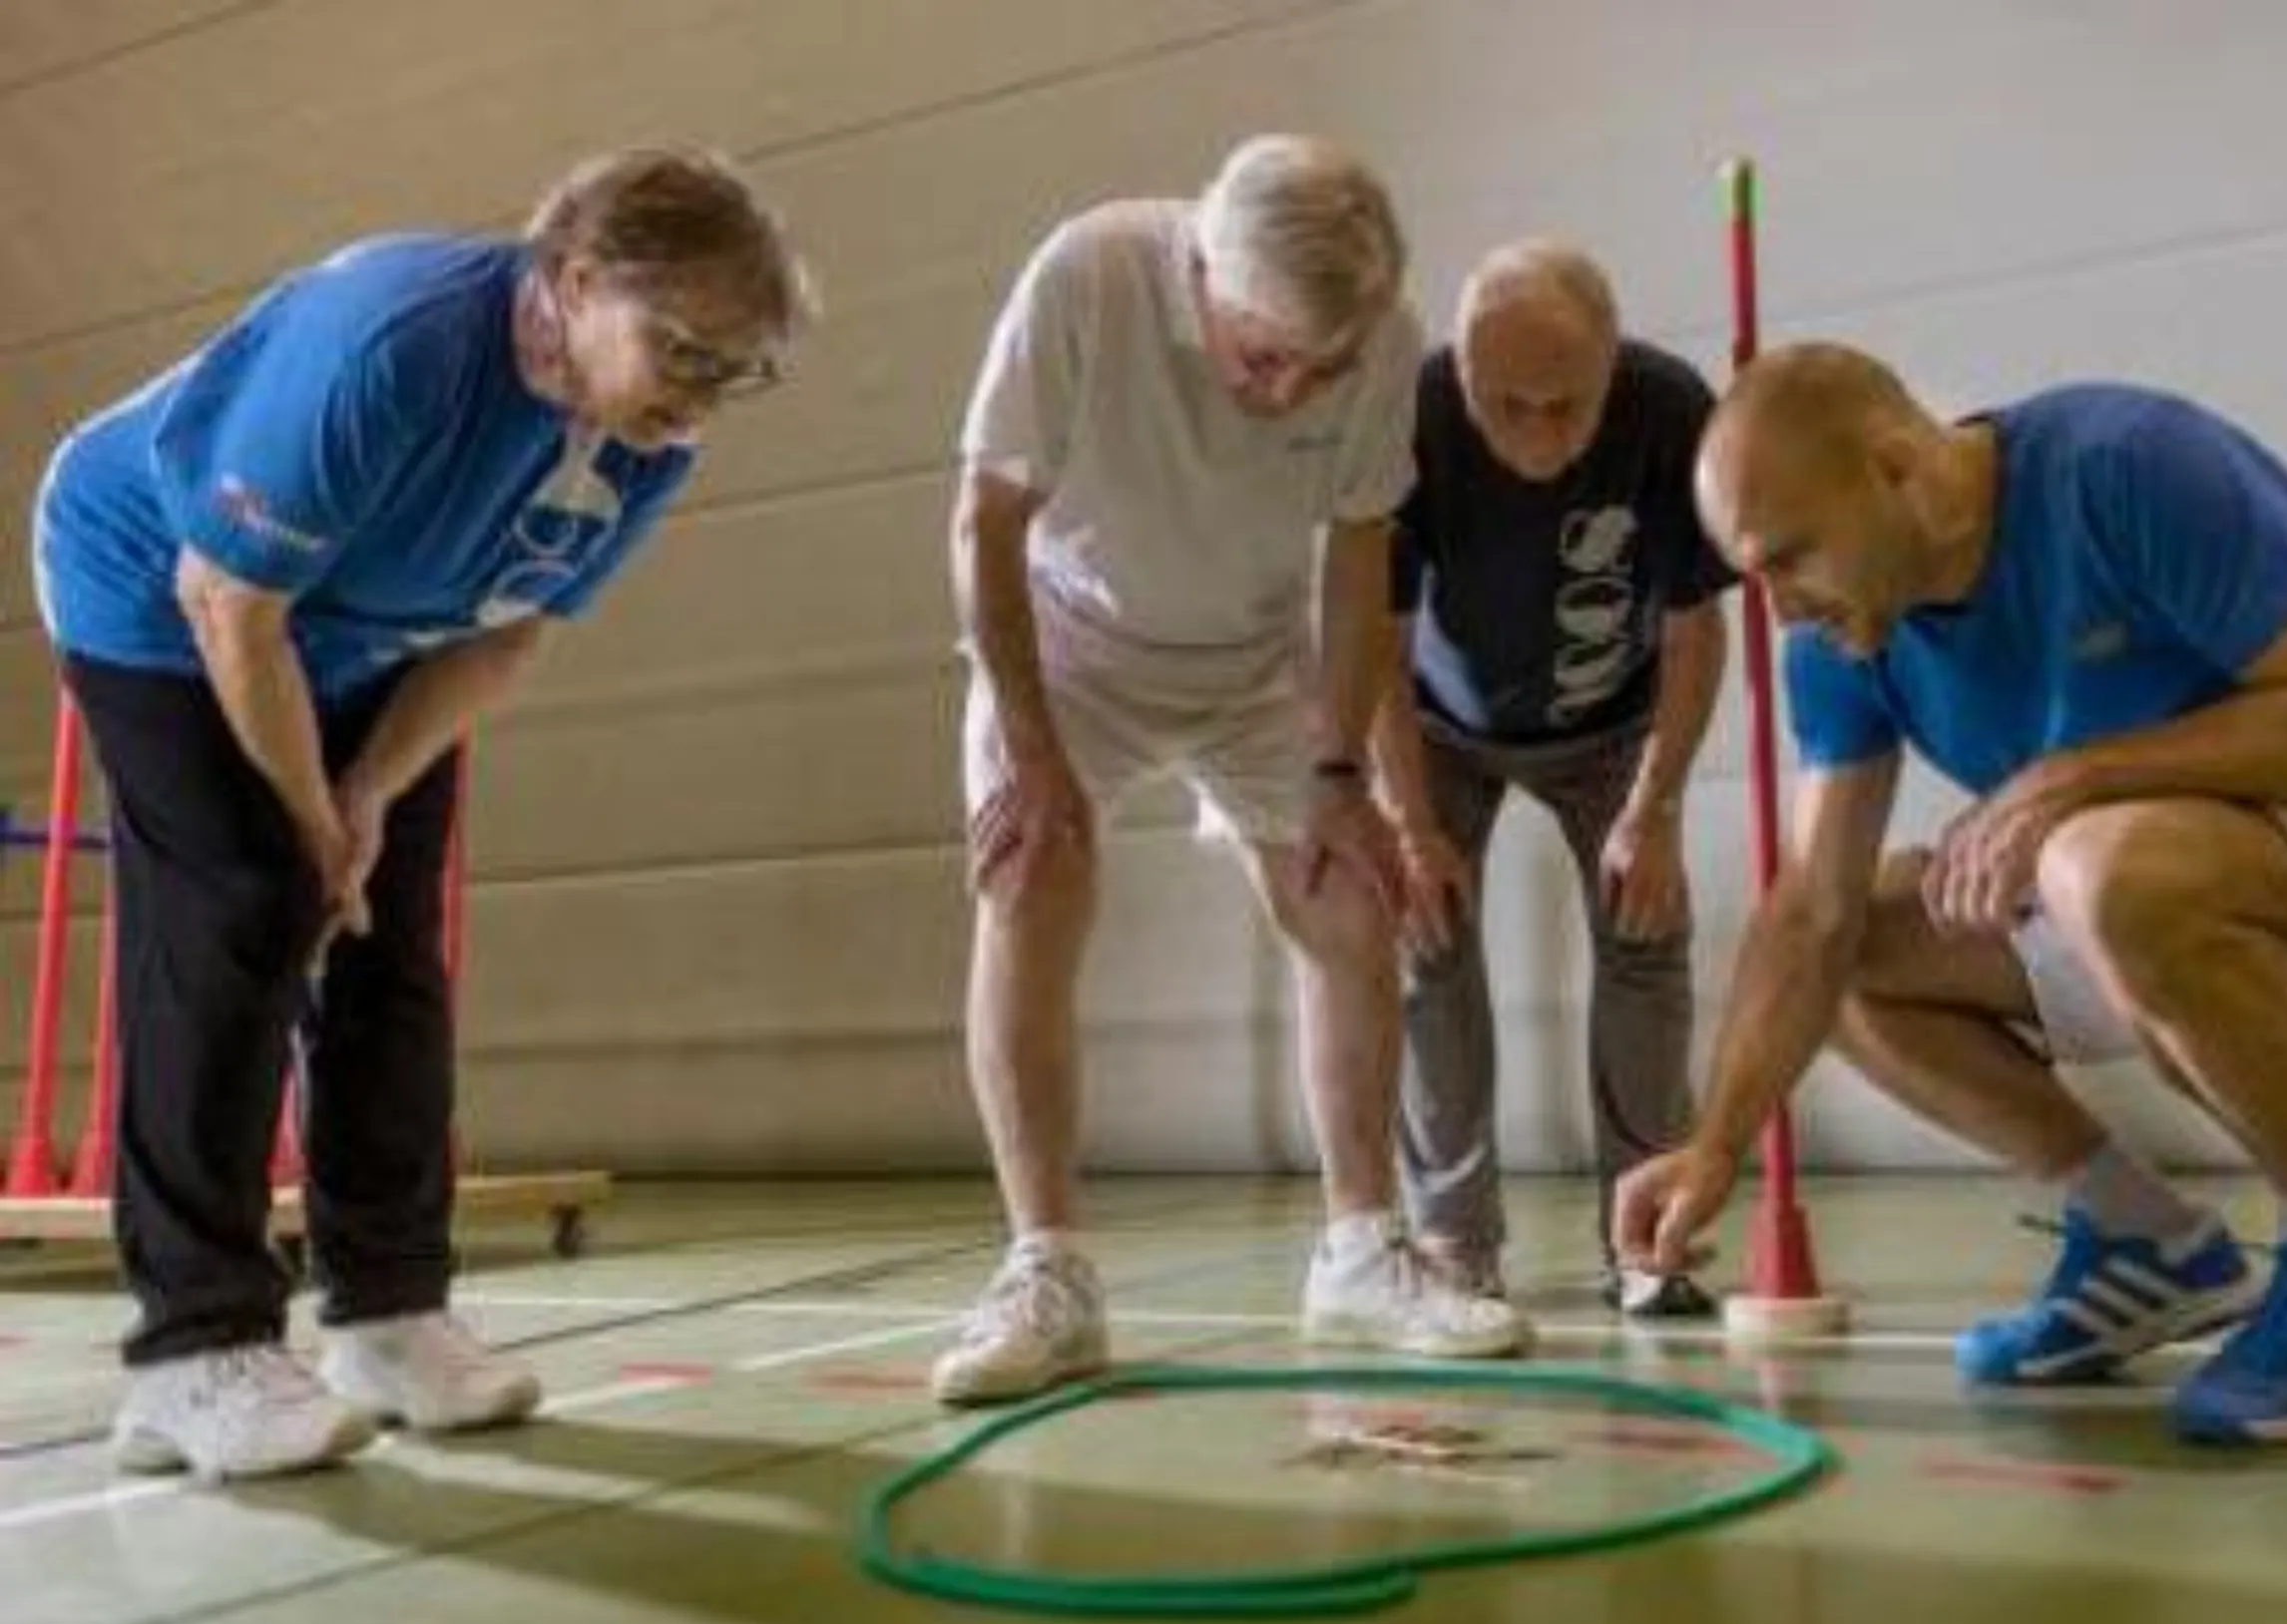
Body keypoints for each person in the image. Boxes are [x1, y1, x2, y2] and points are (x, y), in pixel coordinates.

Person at [31, 148, 813, 1480]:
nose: (703, 399)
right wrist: (310, 824)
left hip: (374, 638)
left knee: (393, 941)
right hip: (167, 599)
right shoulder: (390, 345)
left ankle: (388, 1316)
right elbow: (231, 606)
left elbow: (508, 639)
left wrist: (372, 796)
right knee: (243, 909)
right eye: (685, 351)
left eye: (738, 372)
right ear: (571, 285)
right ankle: (192, 1350)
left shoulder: (647, 444)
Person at [1612, 344, 2287, 1444]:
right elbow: (1811, 915)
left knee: (2093, 861)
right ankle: (2147, 1244)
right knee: (1848, 953)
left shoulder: (2126, 466)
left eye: (1790, 558)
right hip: (2137, 882)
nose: (1782, 610)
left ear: (1895, 467)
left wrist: (2072, 779)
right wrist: (1716, 1145)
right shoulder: (1843, 643)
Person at [934, 135, 1531, 1408]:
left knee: (1349, 893)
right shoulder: (1087, 276)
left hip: (1260, 653)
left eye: (1321, 370)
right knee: (1032, 879)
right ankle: (1048, 1272)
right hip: (1073, 644)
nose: (1289, 391)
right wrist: (1030, 747)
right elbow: (985, 518)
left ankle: (1361, 1251)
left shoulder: (1375, 337)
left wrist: (1336, 767)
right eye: (1264, 359)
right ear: (1199, 268)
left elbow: (1358, 556)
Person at [1375, 241, 1732, 1317]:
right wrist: (1407, 822)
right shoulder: (1410, 415)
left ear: (1613, 365)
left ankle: (1645, 1232)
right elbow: (1371, 644)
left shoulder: (1669, 411)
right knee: (1424, 943)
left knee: (1646, 938)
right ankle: (1453, 1244)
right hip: (1439, 722)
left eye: (1564, 407)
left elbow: (1695, 628)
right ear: (1465, 376)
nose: (1536, 437)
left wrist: (1657, 807)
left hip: (1613, 721)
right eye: (1506, 406)